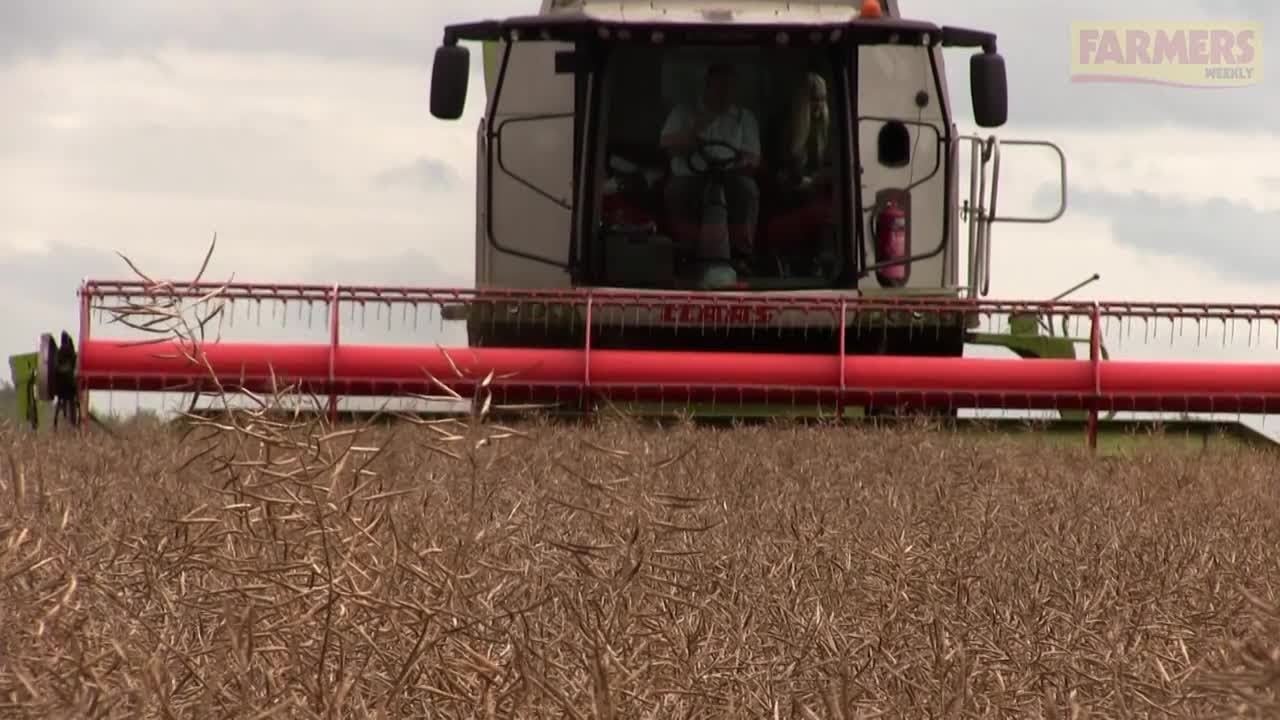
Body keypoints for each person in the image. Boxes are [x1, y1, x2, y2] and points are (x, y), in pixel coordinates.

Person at [658, 63, 761, 281]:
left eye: (729, 87)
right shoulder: (683, 112)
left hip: (731, 177)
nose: (724, 92)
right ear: (706, 87)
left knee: (748, 190)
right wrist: (697, 128)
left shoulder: (745, 118)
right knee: (675, 191)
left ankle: (741, 256)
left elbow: (754, 157)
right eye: (718, 86)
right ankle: (682, 254)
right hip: (690, 176)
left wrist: (739, 164)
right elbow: (667, 143)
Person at [762, 72, 838, 272]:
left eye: (822, 100)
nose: (819, 106)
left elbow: (836, 170)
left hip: (818, 193)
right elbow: (774, 170)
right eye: (813, 100)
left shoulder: (831, 134)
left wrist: (816, 180)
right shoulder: (782, 130)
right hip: (788, 198)